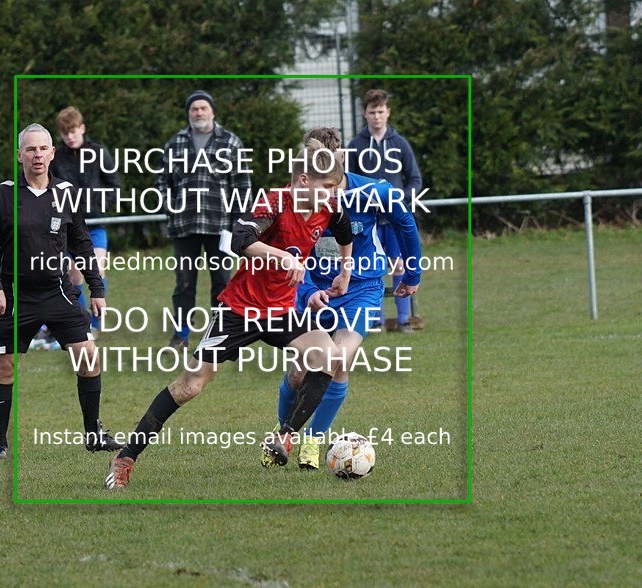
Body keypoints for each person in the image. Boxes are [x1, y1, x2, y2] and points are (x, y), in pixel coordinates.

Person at [105, 142, 353, 489]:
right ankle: (125, 457)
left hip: (281, 310)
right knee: (190, 385)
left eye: (335, 188)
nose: (333, 194)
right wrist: (283, 258)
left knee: (329, 358)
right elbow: (241, 239)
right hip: (240, 308)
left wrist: (345, 268)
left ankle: (284, 437)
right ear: (303, 179)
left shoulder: (328, 205)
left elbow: (344, 228)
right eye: (327, 187)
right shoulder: (275, 202)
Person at [266, 127, 422, 471]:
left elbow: (405, 224)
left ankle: (312, 441)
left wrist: (412, 275)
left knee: (339, 361)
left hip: (361, 288)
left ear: (339, 160)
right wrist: (307, 293)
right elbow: (288, 252)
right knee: (299, 372)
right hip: (310, 291)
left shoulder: (373, 190)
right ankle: (283, 432)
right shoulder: (295, 199)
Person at [0, 123, 121, 460]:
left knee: (88, 358)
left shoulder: (66, 193)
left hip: (57, 292)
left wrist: (96, 288)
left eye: (43, 149)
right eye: (30, 149)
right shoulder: (4, 195)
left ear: (52, 153)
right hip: (15, 295)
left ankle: (94, 433)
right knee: (5, 366)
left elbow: (82, 244)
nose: (37, 155)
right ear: (19, 156)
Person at [155, 90, 251, 351]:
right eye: (194, 109)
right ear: (189, 113)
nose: (199, 112)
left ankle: (219, 335)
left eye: (203, 108)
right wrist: (171, 207)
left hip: (220, 227)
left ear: (212, 112)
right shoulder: (174, 144)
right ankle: (181, 336)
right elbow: (162, 181)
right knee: (184, 283)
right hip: (184, 227)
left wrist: (239, 224)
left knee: (222, 281)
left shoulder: (231, 143)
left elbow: (242, 186)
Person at [347, 89, 422, 333]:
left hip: (394, 221)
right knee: (370, 267)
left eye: (381, 111)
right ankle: (374, 321)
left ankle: (403, 321)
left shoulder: (399, 144)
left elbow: (414, 180)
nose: (377, 116)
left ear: (388, 112)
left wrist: (400, 198)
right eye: (372, 112)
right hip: (368, 220)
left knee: (399, 265)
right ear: (365, 114)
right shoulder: (355, 145)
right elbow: (346, 183)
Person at [50, 106, 121, 338]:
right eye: (64, 133)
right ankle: (80, 321)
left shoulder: (99, 153)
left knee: (97, 271)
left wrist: (99, 207)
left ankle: (95, 324)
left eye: (73, 131)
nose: (69, 137)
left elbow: (115, 185)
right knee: (74, 276)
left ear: (82, 128)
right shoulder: (56, 158)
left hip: (95, 225)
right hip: (68, 227)